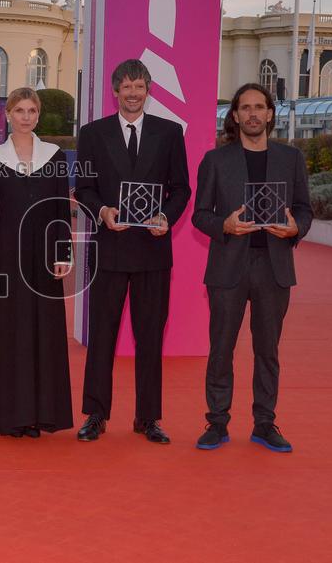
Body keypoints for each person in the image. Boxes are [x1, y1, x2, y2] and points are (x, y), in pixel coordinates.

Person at [73, 59, 190, 444]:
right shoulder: (92, 134)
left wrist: (167, 217)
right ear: (115, 91)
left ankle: (148, 417)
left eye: (139, 86)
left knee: (150, 338)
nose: (133, 93)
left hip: (153, 252)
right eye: (126, 87)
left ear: (149, 89)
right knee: (102, 337)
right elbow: (84, 189)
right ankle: (96, 414)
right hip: (109, 249)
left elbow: (181, 189)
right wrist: (103, 212)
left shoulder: (170, 132)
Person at [192, 83, 312, 453]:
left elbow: (305, 209)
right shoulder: (216, 160)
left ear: (271, 113)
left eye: (259, 107)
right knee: (221, 349)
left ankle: (265, 423)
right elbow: (200, 214)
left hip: (274, 267)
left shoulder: (291, 159)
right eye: (245, 108)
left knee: (268, 350)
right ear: (235, 116)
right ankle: (216, 422)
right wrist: (223, 226)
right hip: (229, 266)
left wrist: (296, 229)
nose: (253, 114)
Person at [0, 87, 73, 438]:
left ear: (38, 114)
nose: (26, 117)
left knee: (43, 331)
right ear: (8, 115)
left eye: (32, 110)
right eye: (19, 110)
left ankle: (40, 414)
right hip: (7, 256)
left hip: (46, 255)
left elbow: (63, 207)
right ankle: (10, 416)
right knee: (10, 332)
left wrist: (63, 252)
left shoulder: (55, 156)